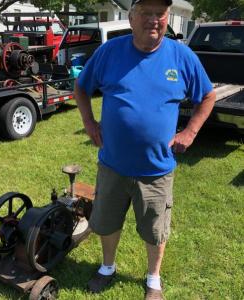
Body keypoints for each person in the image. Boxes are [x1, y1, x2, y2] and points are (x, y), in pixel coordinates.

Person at [74, 0, 216, 299]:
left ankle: (153, 279)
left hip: (156, 170)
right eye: (146, 13)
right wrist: (88, 121)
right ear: (131, 17)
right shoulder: (110, 51)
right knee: (107, 222)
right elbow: (82, 87)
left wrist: (190, 131)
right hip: (113, 164)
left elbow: (207, 96)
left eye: (160, 14)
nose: (154, 20)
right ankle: (107, 267)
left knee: (155, 230)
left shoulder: (181, 56)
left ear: (168, 18)